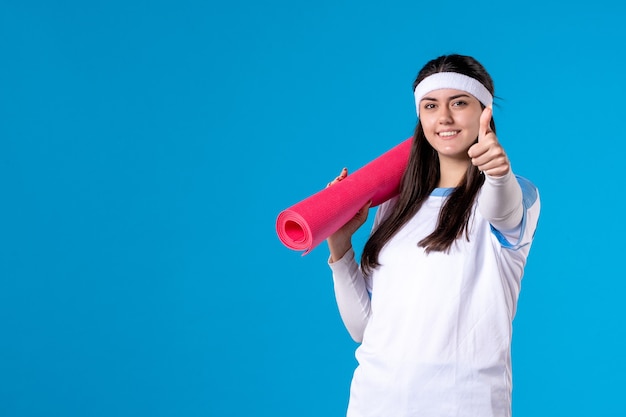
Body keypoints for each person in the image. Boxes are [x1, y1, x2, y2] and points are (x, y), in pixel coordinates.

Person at [326, 54, 541, 417]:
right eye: (430, 106)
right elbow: (365, 330)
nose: (443, 118)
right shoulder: (394, 207)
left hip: (463, 406)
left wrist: (499, 173)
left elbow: (501, 207)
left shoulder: (516, 196)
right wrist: (341, 247)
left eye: (459, 103)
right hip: (374, 403)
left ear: (485, 112)